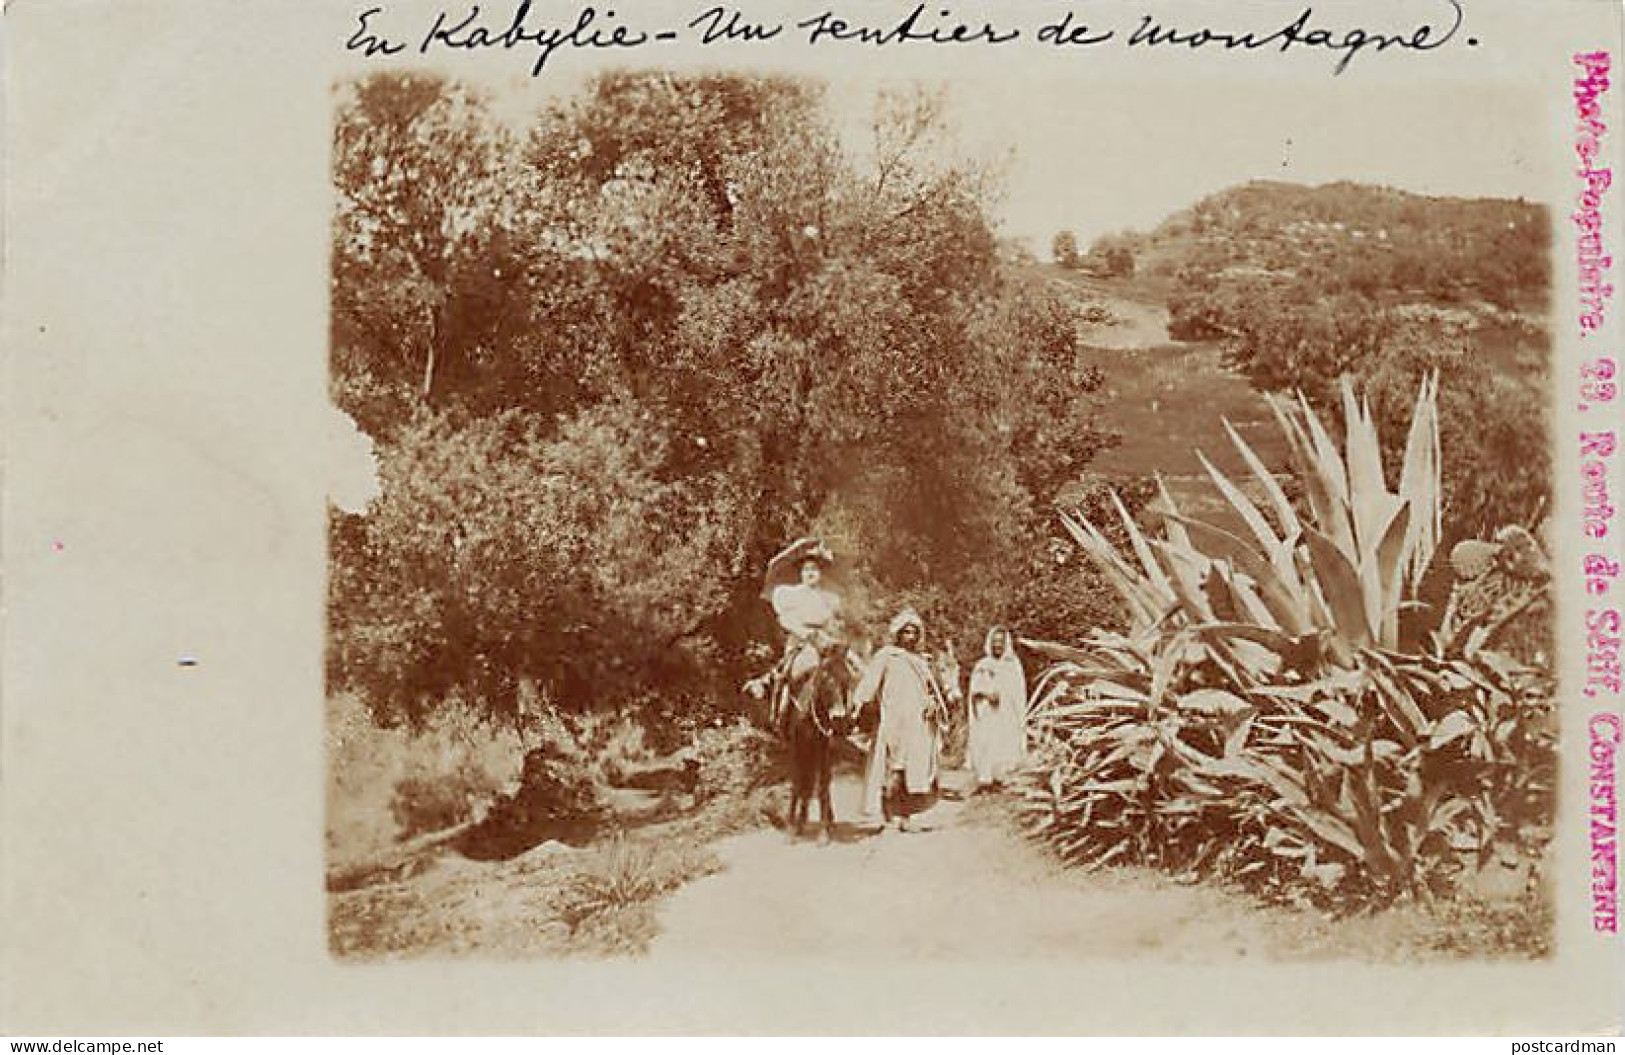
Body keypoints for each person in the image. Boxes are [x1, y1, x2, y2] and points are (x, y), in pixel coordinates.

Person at [853, 608, 952, 831]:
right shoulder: (887, 656)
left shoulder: (922, 661)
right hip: (893, 721)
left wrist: (933, 706)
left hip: (917, 723)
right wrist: (859, 704)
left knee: (913, 771)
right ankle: (888, 814)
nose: (911, 637)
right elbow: (870, 683)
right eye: (906, 632)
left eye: (914, 632)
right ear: (898, 634)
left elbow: (931, 691)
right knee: (892, 770)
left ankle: (905, 816)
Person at [768, 554, 843, 725]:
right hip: (800, 639)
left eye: (815, 569)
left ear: (821, 573)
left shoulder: (829, 598)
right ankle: (781, 710)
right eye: (806, 570)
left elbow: (834, 623)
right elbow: (784, 619)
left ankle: (843, 710)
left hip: (824, 639)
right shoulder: (791, 594)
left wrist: (833, 635)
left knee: (847, 667)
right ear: (800, 573)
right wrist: (802, 632)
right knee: (792, 670)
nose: (810, 574)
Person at [966, 625, 1028, 791]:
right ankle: (986, 780)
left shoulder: (1013, 665)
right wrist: (986, 694)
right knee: (987, 743)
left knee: (1005, 742)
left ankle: (1004, 778)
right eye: (994, 642)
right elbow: (974, 690)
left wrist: (1007, 700)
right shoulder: (983, 664)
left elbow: (1018, 692)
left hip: (1007, 713)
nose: (997, 645)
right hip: (987, 713)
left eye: (1001, 642)